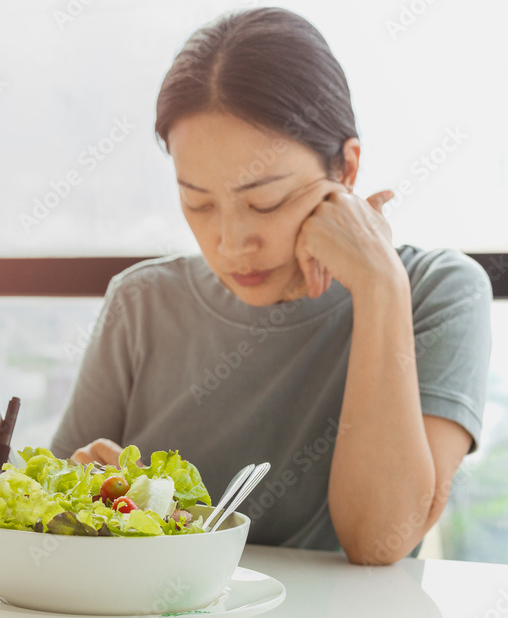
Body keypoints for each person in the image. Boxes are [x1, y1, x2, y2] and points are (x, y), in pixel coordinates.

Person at [48, 7, 492, 565]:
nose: (231, 242)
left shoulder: (437, 292)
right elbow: (48, 512)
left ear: (346, 169)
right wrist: (90, 493)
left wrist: (379, 287)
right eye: (198, 202)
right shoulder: (143, 301)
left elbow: (380, 540)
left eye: (266, 201)